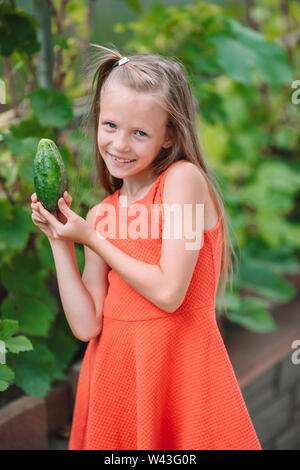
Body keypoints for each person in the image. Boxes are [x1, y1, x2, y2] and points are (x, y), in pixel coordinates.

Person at [30, 45, 262, 451]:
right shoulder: (101, 214)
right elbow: (87, 326)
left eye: (139, 132)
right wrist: (60, 242)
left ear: (169, 134)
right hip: (115, 378)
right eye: (110, 125)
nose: (119, 144)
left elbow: (170, 293)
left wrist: (92, 239)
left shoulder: (183, 182)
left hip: (178, 372)